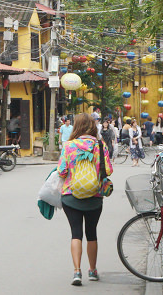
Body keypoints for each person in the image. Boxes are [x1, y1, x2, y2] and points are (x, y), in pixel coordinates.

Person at [57, 113, 114, 285]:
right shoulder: (99, 144)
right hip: (94, 196)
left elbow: (61, 171)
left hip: (70, 196)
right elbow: (109, 170)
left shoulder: (69, 146)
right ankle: (93, 270)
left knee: (76, 233)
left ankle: (76, 272)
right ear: (92, 126)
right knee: (91, 234)